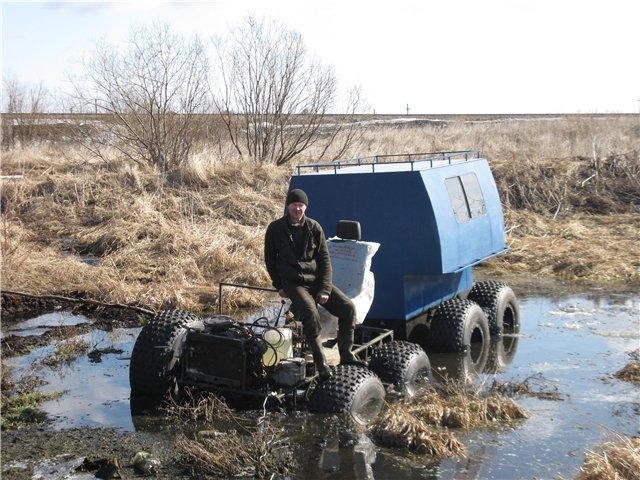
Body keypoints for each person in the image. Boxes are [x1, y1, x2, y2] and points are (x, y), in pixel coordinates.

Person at [264, 188, 360, 380]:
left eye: (300, 205)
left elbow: (325, 260)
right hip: (294, 284)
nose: (297, 209)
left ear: (305, 206)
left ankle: (347, 354)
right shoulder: (275, 228)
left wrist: (324, 288)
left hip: (315, 281)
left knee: (348, 307)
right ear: (288, 206)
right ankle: (320, 362)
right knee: (310, 313)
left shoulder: (314, 227)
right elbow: (270, 260)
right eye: (294, 205)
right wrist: (279, 286)